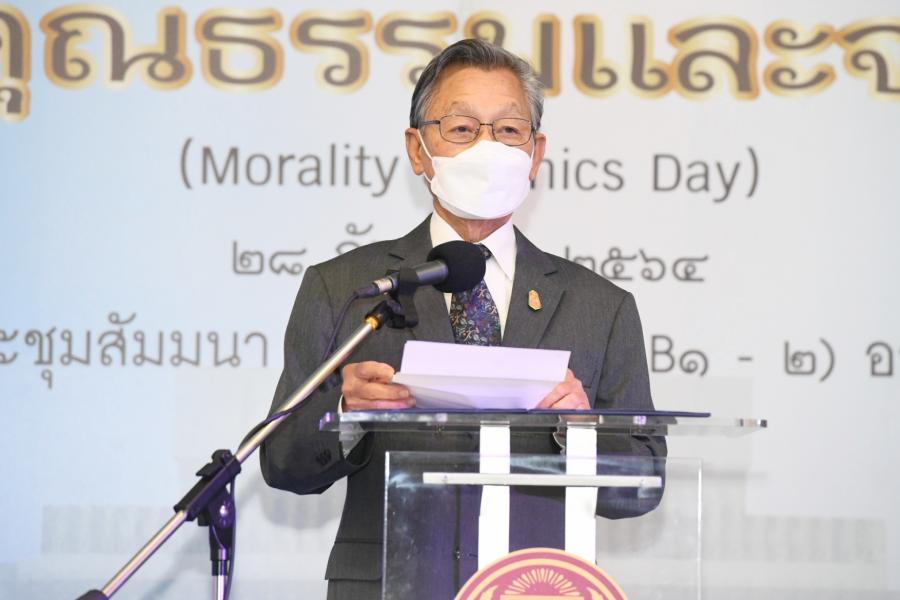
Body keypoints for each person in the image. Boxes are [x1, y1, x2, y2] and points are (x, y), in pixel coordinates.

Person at [260, 38, 666, 599]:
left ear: (535, 153)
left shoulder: (600, 305)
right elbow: (282, 462)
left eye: (508, 130)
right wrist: (346, 414)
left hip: (537, 588)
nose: (487, 147)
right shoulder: (347, 288)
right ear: (418, 149)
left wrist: (580, 431)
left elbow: (642, 485)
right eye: (462, 128)